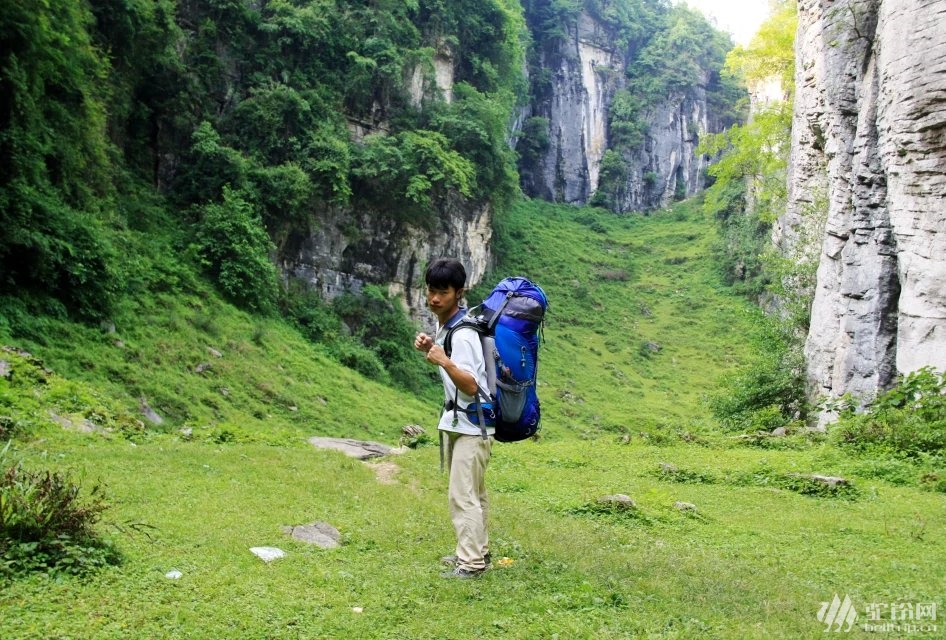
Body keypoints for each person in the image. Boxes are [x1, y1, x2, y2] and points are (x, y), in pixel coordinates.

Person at [413, 257, 493, 579]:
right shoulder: (447, 326)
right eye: (430, 290)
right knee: (475, 493)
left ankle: (471, 564)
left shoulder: (462, 333)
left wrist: (443, 360)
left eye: (442, 292)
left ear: (459, 293)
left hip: (474, 426)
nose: (434, 298)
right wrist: (432, 347)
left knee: (462, 495)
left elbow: (472, 384)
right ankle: (479, 553)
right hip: (466, 423)